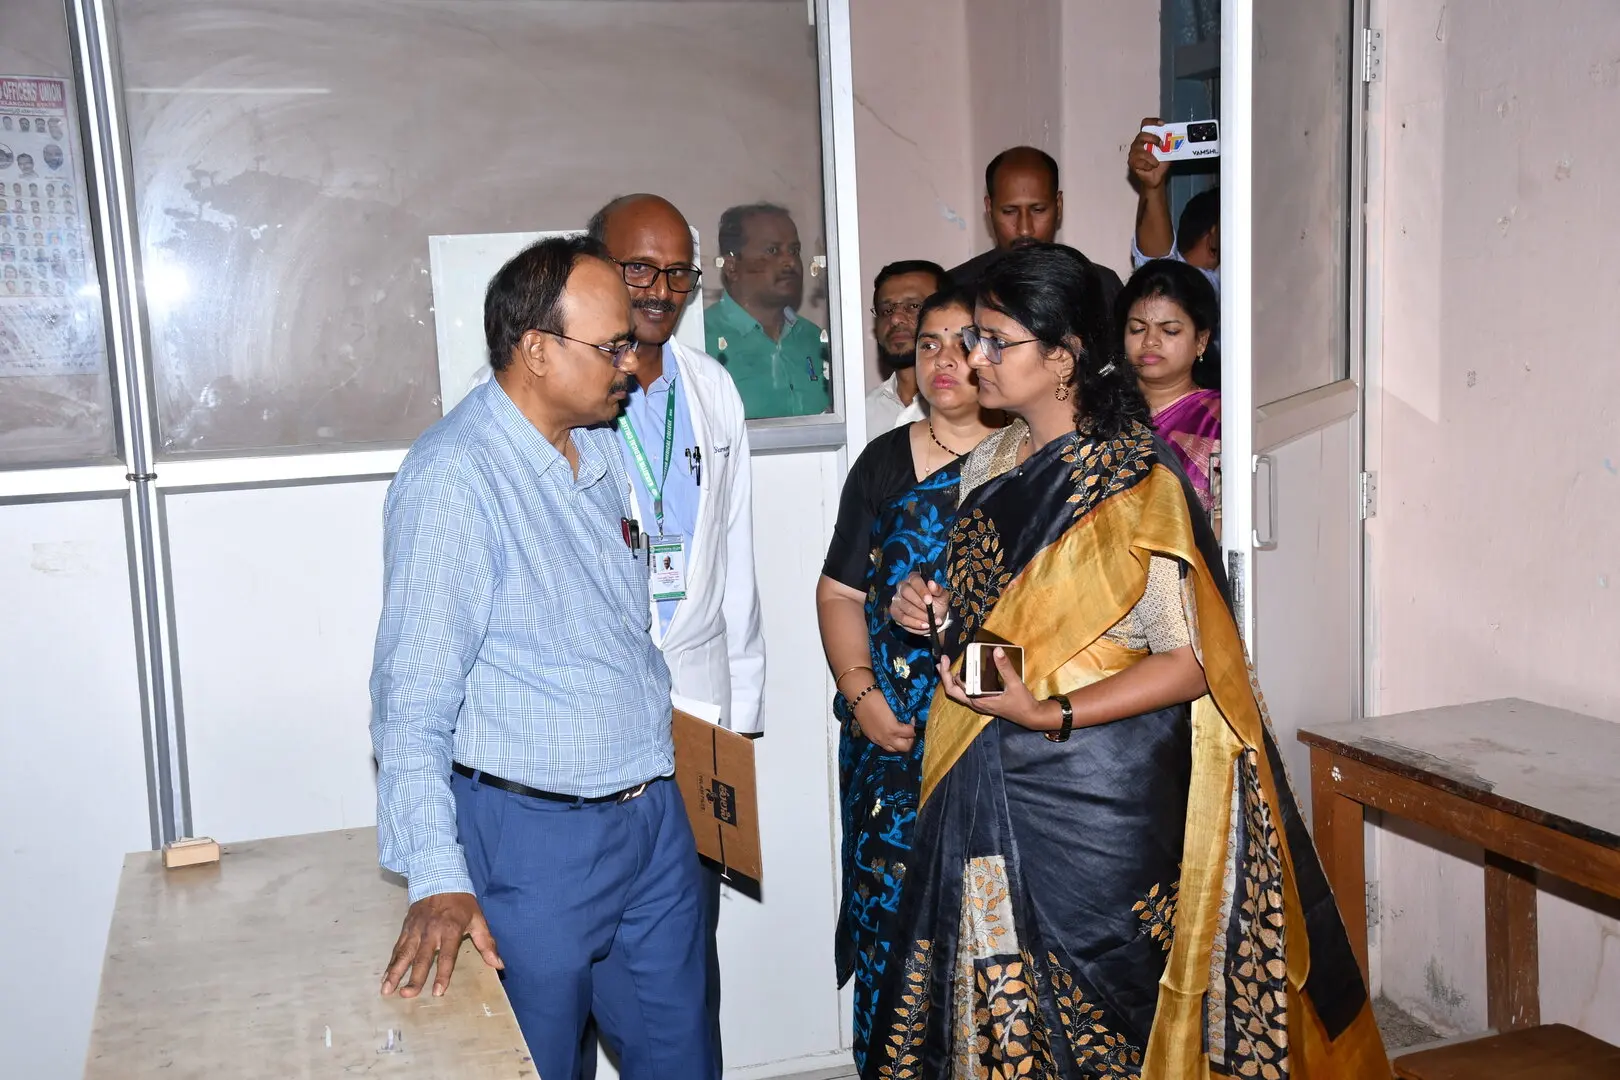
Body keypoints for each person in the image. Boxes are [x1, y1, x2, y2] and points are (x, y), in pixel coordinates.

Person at [868, 244, 1387, 1077]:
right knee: (997, 1004)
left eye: (995, 340)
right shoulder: (989, 465)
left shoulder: (1137, 483)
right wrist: (928, 612)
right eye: (972, 338)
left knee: (1109, 1011)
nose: (973, 358)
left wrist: (1048, 712)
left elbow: (1193, 664)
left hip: (1096, 793)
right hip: (982, 761)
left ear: (1063, 356)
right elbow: (995, 615)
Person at [370, 234, 714, 1080]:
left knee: (681, 1054)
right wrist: (436, 876)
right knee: (538, 1062)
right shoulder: (455, 480)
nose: (630, 365)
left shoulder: (599, 444)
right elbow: (411, 701)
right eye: (611, 346)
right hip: (535, 841)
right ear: (535, 349)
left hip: (650, 817)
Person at [586, 193, 766, 1078]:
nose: (659, 290)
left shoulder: (711, 387)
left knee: (688, 949)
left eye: (678, 273)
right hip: (591, 713)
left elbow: (735, 555)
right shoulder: (566, 393)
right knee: (584, 951)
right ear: (595, 268)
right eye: (638, 269)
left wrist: (743, 712)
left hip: (697, 705)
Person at [816, 285, 1001, 1073]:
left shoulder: (1029, 460)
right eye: (929, 344)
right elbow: (838, 593)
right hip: (893, 747)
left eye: (964, 342)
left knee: (989, 943)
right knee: (893, 939)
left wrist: (959, 621)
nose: (944, 360)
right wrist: (862, 696)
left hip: (996, 742)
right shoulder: (885, 462)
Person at [948, 146, 1124, 304]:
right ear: (989, 209)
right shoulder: (955, 290)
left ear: (1059, 206)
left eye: (1038, 210)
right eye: (1009, 211)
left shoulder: (1100, 288)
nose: (1025, 229)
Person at [706, 203, 831, 418]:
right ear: (731, 267)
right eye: (772, 251)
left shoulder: (814, 338)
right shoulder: (703, 341)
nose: (790, 262)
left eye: (794, 251)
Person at [1119, 258, 1221, 512]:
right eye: (1137, 329)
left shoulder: (1222, 419)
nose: (1150, 341)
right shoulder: (1102, 413)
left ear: (1201, 340)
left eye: (1170, 331)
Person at [1127, 117, 1220, 292]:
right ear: (1214, 231)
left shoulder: (1230, 284)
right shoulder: (1194, 288)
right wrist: (1152, 187)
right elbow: (1158, 267)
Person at [864, 260, 949, 438]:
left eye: (914, 306)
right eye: (886, 310)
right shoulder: (861, 415)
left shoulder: (972, 411)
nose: (895, 319)